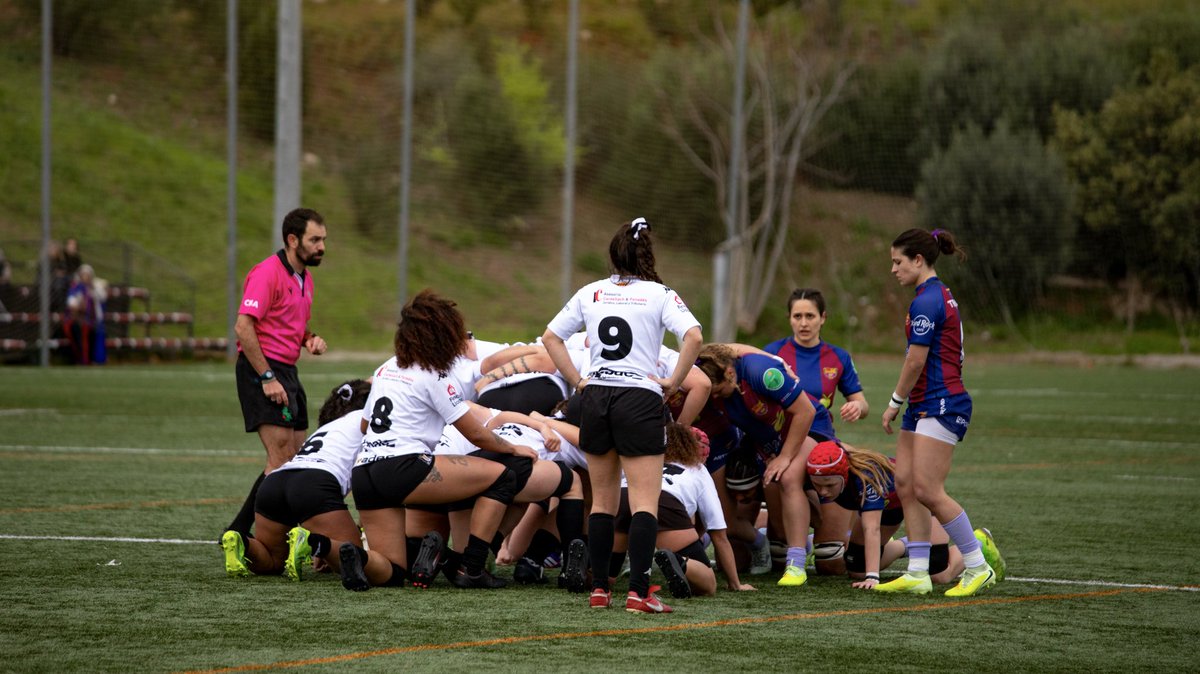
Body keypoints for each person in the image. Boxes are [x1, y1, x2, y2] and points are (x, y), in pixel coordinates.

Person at [543, 217, 703, 614]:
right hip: (639, 397)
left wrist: (579, 381)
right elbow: (695, 337)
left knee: (603, 502)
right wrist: (673, 381)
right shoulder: (660, 293)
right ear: (648, 255)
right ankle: (638, 593)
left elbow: (550, 337)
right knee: (645, 502)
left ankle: (599, 590)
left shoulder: (591, 291)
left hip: (596, 397)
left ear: (613, 256)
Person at [339, 290, 538, 591]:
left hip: (365, 472)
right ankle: (471, 568)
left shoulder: (386, 368)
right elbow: (475, 433)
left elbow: (366, 424)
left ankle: (360, 557)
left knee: (393, 573)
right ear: (442, 335)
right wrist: (511, 447)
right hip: (404, 467)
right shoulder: (435, 374)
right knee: (503, 476)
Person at [874, 228, 1000, 597]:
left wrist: (894, 402)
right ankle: (917, 571)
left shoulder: (928, 300)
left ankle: (977, 565)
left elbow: (916, 360)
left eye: (898, 262)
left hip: (942, 402)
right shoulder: (929, 296)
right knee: (905, 484)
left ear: (918, 260)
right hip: (925, 402)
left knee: (928, 489)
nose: (893, 269)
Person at [694, 343, 846, 588]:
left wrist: (785, 456)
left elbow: (805, 412)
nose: (712, 397)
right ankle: (800, 534)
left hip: (809, 426)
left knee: (787, 476)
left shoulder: (762, 373)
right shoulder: (709, 370)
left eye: (717, 390)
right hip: (770, 440)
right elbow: (720, 347)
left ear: (730, 373)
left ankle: (796, 565)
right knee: (778, 526)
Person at [224, 208, 328, 542]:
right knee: (281, 458)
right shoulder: (267, 273)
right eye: (315, 240)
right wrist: (267, 377)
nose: (321, 246)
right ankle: (247, 533)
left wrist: (308, 339)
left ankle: (244, 531)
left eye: (323, 239)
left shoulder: (305, 279)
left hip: (288, 370)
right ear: (292, 240)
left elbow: (287, 324)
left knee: (298, 460)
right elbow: (244, 326)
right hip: (263, 370)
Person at [221, 380, 385, 585]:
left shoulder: (330, 427)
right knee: (358, 560)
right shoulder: (372, 423)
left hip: (275, 482)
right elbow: (368, 483)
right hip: (314, 483)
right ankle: (310, 542)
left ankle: (242, 541)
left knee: (272, 561)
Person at [804, 440, 1004, 589]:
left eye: (829, 485)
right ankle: (906, 546)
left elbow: (871, 528)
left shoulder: (866, 481)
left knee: (938, 573)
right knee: (856, 568)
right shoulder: (822, 470)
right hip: (889, 507)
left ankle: (978, 542)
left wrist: (873, 577)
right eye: (818, 486)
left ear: (844, 474)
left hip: (919, 501)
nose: (823, 491)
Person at [611, 424, 754, 598]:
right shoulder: (698, 470)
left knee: (608, 576)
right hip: (664, 501)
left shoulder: (646, 458)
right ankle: (679, 562)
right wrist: (735, 584)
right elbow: (719, 535)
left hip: (624, 497)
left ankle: (588, 573)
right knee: (708, 584)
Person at [764, 288, 868, 425]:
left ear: (822, 317)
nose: (803, 324)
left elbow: (863, 405)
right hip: (780, 435)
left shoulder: (840, 357)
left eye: (810, 316)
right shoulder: (771, 353)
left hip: (821, 433)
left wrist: (857, 407)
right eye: (797, 316)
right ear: (789, 318)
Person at [63, 264, 106, 365]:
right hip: (79, 319)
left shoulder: (93, 288)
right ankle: (83, 360)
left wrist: (94, 287)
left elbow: (102, 296)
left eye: (88, 275)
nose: (86, 278)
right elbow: (71, 304)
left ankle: (92, 359)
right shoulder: (77, 288)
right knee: (79, 333)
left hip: (92, 320)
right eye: (84, 275)